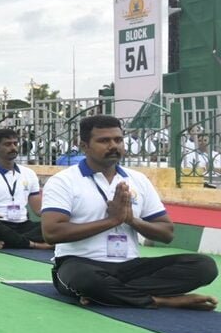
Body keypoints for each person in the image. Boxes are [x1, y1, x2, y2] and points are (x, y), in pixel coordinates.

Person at [42, 115, 217, 310]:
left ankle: (112, 294)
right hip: (80, 263)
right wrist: (112, 221)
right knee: (87, 281)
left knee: (204, 266)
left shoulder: (138, 180)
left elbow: (167, 233)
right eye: (104, 141)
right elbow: (52, 233)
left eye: (118, 140)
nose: (113, 146)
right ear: (84, 146)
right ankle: (164, 300)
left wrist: (132, 220)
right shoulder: (64, 181)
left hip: (129, 266)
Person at [0, 128, 51, 250]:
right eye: (7, 144)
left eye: (15, 144)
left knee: (51, 227)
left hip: (23, 224)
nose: (13, 148)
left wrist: (61, 214)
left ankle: (10, 241)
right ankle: (34, 244)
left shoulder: (29, 173)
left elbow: (38, 210)